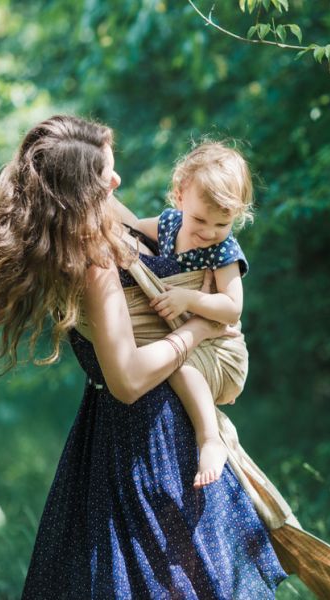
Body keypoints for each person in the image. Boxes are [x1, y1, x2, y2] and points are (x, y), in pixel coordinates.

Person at [0, 115, 288, 597]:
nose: (116, 182)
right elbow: (128, 379)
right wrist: (197, 329)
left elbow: (144, 224)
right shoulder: (93, 262)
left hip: (149, 428)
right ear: (79, 191)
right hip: (145, 441)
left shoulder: (94, 222)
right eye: (104, 176)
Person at [124, 142, 253, 490]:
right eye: (199, 219)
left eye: (222, 223)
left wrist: (189, 298)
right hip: (194, 341)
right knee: (168, 358)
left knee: (178, 364)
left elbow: (231, 308)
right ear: (180, 197)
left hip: (222, 353)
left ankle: (210, 439)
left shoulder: (223, 252)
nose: (208, 232)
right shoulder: (169, 226)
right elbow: (131, 227)